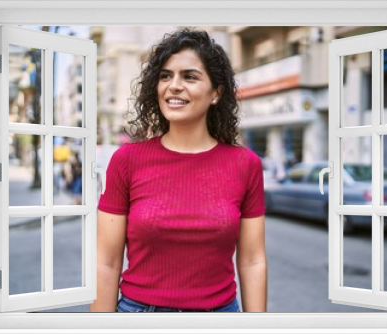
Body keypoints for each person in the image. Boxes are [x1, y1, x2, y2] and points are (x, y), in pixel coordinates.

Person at [90, 28, 267, 313]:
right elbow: (106, 261)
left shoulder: (246, 165)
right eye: (165, 76)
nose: (173, 85)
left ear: (216, 93)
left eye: (190, 76)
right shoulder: (126, 160)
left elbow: (253, 260)